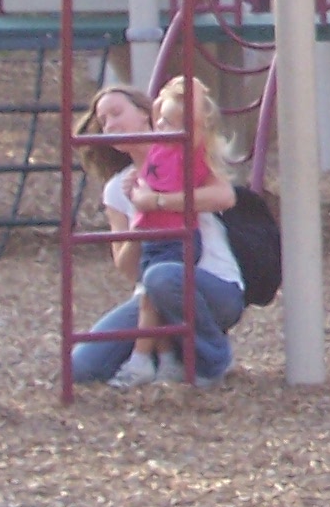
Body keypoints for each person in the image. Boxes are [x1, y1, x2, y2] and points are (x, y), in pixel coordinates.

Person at [69, 83, 247, 388]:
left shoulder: (178, 151)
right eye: (104, 121)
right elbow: (128, 268)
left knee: (162, 276)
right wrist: (141, 224)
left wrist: (158, 202)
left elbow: (225, 196)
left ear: (145, 113)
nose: (110, 125)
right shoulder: (117, 189)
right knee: (80, 367)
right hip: (153, 294)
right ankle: (165, 355)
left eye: (116, 113)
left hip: (212, 285)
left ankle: (214, 359)